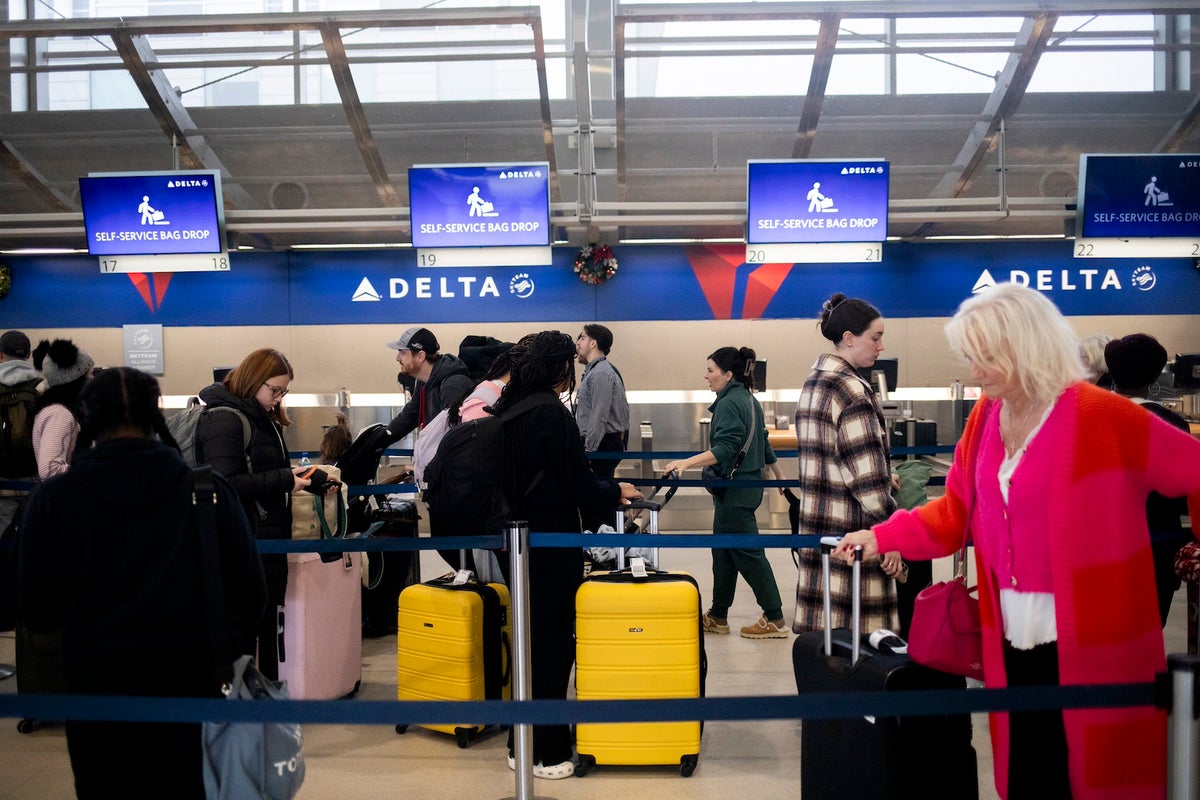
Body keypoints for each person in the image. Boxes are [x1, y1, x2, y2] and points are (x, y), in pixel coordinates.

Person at [835, 283, 1200, 800]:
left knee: (1095, 777)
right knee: (1030, 769)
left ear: (1023, 349)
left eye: (983, 358)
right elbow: (956, 511)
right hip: (1009, 638)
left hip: (1095, 638)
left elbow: (1195, 468)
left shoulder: (1103, 415)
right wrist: (882, 535)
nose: (973, 371)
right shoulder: (986, 417)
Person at [17, 367, 266, 799]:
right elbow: (251, 593)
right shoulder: (206, 492)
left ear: (88, 419)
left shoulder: (54, 500)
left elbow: (35, 609)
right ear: (156, 418)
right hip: (195, 686)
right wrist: (225, 651)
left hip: (97, 690)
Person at [490, 330, 641, 779]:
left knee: (529, 641)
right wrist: (616, 490)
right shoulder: (551, 413)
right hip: (551, 542)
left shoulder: (508, 409)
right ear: (561, 369)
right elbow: (580, 486)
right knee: (555, 645)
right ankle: (550, 752)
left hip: (513, 542)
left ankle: (522, 744)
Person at [195, 347, 311, 681]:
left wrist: (300, 479)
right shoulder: (225, 419)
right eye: (274, 390)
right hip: (241, 542)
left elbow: (259, 470)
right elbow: (224, 481)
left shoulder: (260, 418)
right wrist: (285, 480)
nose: (278, 398)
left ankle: (259, 703)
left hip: (262, 537)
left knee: (260, 627)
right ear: (253, 380)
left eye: (283, 391)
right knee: (240, 635)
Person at [793, 294, 904, 636]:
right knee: (865, 651)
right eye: (876, 337)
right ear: (849, 338)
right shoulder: (854, 391)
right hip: (855, 539)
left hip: (819, 531)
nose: (881, 346)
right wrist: (892, 533)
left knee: (826, 647)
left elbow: (833, 458)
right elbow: (868, 485)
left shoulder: (813, 383)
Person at [663, 346, 788, 640]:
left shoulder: (730, 402)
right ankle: (718, 615)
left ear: (728, 374)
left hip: (736, 490)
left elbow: (726, 448)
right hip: (745, 486)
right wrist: (780, 477)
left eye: (711, 370)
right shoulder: (748, 398)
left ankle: (774, 617)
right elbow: (764, 441)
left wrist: (686, 463)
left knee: (748, 553)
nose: (706, 376)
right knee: (723, 553)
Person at [1105, 333, 1192, 627]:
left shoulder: (1082, 416)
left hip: (1092, 548)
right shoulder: (1170, 424)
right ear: (1155, 375)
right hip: (1154, 547)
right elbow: (1184, 490)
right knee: (1147, 632)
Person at [574, 324, 630, 531]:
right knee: (598, 497)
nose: (578, 343)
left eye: (581, 338)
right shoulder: (596, 371)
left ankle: (604, 547)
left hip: (601, 443)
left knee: (598, 499)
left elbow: (599, 415)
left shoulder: (601, 374)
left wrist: (589, 451)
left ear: (593, 343)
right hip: (601, 441)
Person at [383, 326, 475, 445]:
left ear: (421, 356)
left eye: (402, 352)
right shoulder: (423, 382)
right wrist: (381, 438)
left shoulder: (452, 386)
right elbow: (410, 416)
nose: (397, 358)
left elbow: (454, 439)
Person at [30, 339, 94, 479]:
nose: (92, 378)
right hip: (63, 497)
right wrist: (95, 470)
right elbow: (50, 470)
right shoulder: (59, 414)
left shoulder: (57, 408)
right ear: (75, 380)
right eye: (89, 374)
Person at [0, 330, 40, 532]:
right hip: (35, 478)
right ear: (29, 354)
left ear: (0, 355)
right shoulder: (42, 389)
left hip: (2, 481)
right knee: (34, 539)